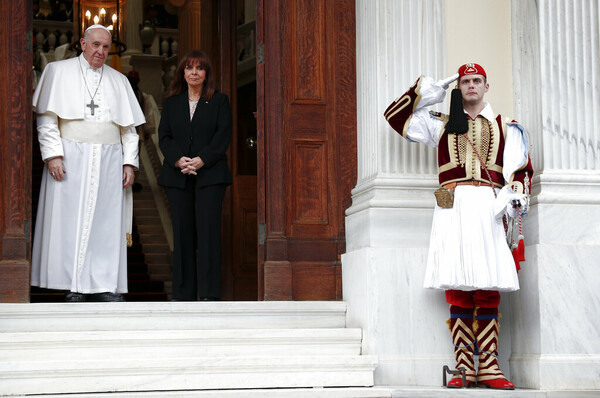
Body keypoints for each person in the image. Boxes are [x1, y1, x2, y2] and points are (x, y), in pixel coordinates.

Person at [384, 63, 533, 389]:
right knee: (459, 282)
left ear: (486, 86)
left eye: (477, 80)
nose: (471, 86)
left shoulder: (506, 126)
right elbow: (395, 117)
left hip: (489, 208)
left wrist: (517, 193)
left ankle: (490, 366)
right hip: (452, 207)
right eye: (465, 81)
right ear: (459, 87)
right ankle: (463, 365)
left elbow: (520, 169)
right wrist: (424, 92)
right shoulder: (440, 123)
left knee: (488, 281)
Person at [31, 25, 145, 302]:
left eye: (106, 47)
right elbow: (47, 120)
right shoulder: (58, 72)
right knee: (70, 222)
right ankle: (74, 285)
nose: (100, 52)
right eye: (95, 45)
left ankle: (105, 284)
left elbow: (129, 130)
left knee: (105, 225)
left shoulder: (119, 80)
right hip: (71, 156)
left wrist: (129, 163)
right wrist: (53, 154)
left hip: (109, 159)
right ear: (83, 43)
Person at [158, 50, 232, 301]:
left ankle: (210, 294)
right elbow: (164, 137)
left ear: (206, 74)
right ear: (183, 72)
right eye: (189, 68)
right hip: (177, 177)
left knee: (208, 233)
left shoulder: (220, 101)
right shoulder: (171, 103)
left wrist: (202, 160)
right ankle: (183, 294)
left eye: (200, 68)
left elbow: (223, 136)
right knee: (182, 233)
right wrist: (179, 159)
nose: (194, 72)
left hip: (210, 176)